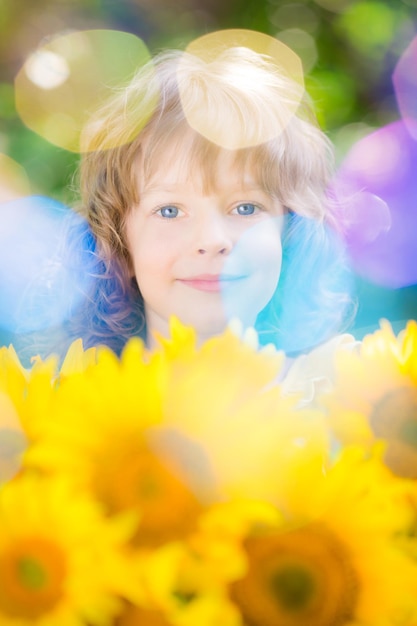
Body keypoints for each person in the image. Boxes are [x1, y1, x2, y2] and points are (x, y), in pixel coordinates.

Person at [62, 36, 354, 376]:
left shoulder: (343, 400)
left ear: (288, 231)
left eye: (245, 208)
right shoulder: (72, 413)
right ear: (119, 243)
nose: (213, 240)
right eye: (169, 210)